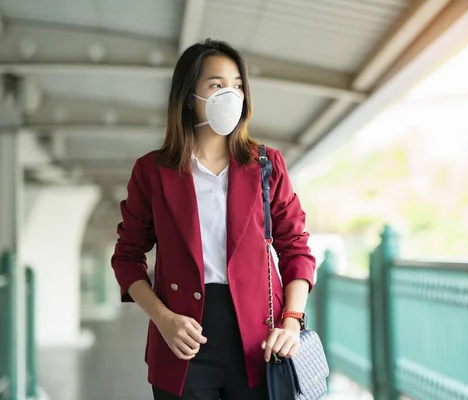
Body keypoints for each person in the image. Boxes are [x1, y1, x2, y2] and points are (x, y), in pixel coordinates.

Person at [110, 38, 316, 400]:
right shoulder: (152, 171)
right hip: (182, 339)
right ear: (190, 95)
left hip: (260, 340)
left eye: (237, 85)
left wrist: (291, 322)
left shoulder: (266, 165)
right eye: (217, 85)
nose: (231, 95)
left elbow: (296, 248)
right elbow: (127, 258)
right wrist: (162, 319)